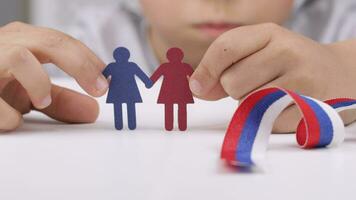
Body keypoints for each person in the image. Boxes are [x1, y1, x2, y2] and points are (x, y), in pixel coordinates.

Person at [1, 0, 356, 132]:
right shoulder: (84, 36)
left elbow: (148, 75)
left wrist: (346, 66)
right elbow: (146, 75)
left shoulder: (342, 24)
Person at [103, 47, 152, 130]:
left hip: (123, 91)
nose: (121, 57)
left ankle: (129, 125)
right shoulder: (113, 66)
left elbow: (141, 74)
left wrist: (147, 82)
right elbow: (103, 77)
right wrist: (147, 82)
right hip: (123, 91)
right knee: (121, 107)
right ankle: (122, 125)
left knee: (127, 106)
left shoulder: (118, 66)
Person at [150, 48, 194, 131]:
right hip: (180, 92)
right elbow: (194, 77)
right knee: (180, 108)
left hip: (170, 92)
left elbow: (154, 77)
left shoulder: (165, 66)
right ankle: (180, 126)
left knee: (170, 109)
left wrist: (149, 83)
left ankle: (171, 126)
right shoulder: (185, 66)